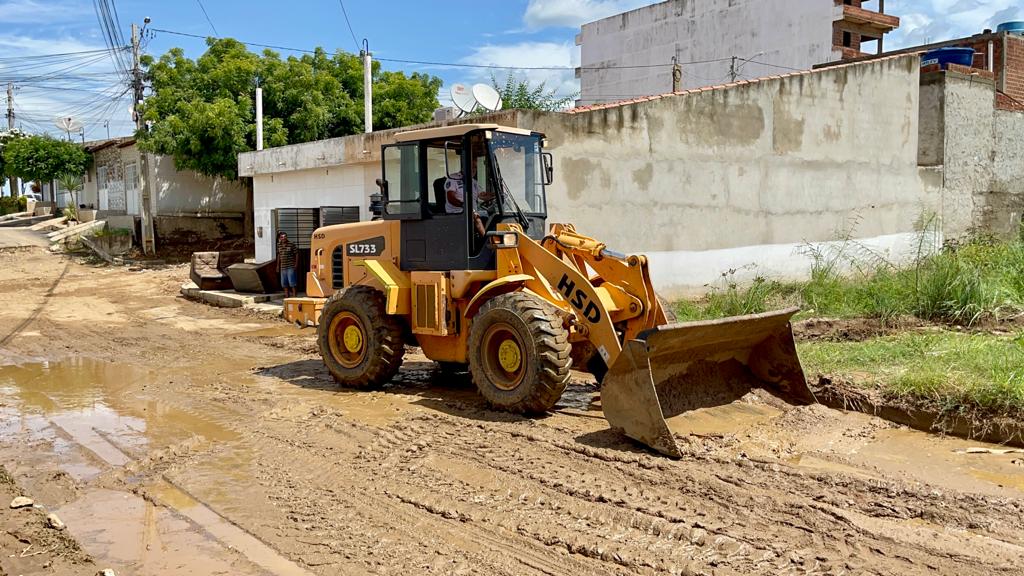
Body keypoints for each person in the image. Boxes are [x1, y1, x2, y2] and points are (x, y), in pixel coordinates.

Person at [445, 162, 494, 236]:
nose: (474, 170)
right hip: (457, 212)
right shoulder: (453, 178)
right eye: (471, 167)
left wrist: (496, 195)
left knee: (490, 216)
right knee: (476, 217)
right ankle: (485, 240)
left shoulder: (473, 181)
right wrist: (464, 205)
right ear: (464, 167)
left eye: (475, 168)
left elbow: (483, 196)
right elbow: (450, 198)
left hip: (470, 212)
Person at [276, 231, 298, 298]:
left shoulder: (291, 244)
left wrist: (296, 264)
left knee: (292, 282)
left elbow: (296, 254)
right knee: (284, 283)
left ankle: (294, 296)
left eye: (285, 237)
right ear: (280, 238)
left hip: (290, 266)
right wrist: (277, 266)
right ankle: (286, 296)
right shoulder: (278, 245)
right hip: (283, 267)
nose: (284, 238)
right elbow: (279, 255)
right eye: (282, 237)